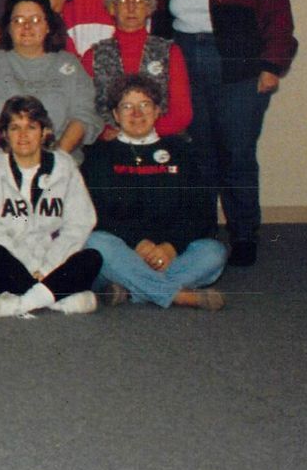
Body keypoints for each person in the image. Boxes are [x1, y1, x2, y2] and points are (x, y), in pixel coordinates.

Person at [151, 0, 296, 268]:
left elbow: (278, 18)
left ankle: (244, 234)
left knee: (237, 153)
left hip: (237, 70)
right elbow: (160, 19)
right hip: (184, 61)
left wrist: (271, 66)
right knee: (198, 154)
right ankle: (201, 232)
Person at [82, 75, 228, 311]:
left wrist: (171, 246)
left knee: (214, 253)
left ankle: (132, 290)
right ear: (116, 116)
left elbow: (201, 213)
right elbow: (95, 215)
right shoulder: (98, 156)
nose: (136, 113)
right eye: (127, 106)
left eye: (145, 105)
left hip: (169, 254)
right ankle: (177, 295)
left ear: (157, 110)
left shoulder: (183, 153)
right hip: (122, 251)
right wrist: (137, 244)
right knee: (95, 243)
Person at [0, 93, 103, 317]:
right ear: (4, 134)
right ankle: (57, 298)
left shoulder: (65, 168)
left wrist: (47, 268)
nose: (23, 135)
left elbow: (79, 224)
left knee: (92, 257)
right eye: (14, 128)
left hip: (54, 262)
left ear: (45, 132)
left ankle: (23, 302)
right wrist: (32, 269)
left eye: (31, 127)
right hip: (14, 264)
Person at [0, 0, 96, 171]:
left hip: (59, 165)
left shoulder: (69, 65)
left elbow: (83, 116)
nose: (26, 26)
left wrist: (54, 162)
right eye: (18, 20)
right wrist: (11, 166)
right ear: (8, 27)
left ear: (48, 25)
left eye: (35, 20)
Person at [81, 0, 191, 138]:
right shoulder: (93, 56)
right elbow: (85, 111)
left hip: (161, 140)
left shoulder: (170, 52)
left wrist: (142, 134)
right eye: (123, 1)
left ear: (149, 8)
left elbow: (182, 114)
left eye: (139, 1)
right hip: (111, 144)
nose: (131, 8)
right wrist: (108, 133)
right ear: (112, 8)